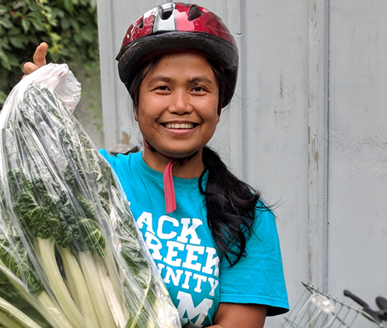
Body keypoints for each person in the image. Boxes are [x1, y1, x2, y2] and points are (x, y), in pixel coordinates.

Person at [23, 2, 289, 327]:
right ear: (136, 106)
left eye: (198, 89)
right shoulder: (96, 178)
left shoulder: (247, 215)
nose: (180, 105)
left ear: (219, 107)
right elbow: (12, 201)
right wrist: (34, 120)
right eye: (162, 88)